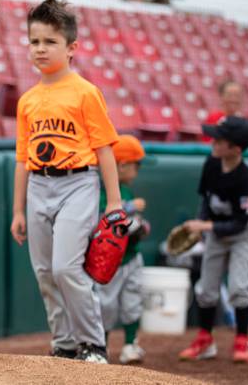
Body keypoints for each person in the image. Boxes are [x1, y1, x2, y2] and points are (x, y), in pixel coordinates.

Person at [10, 0, 122, 364]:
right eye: (35, 41)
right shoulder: (27, 100)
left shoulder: (86, 92)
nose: (40, 49)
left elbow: (105, 148)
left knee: (65, 268)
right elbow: (23, 159)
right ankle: (64, 343)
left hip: (78, 182)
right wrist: (17, 210)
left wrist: (115, 203)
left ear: (72, 48)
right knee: (44, 271)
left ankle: (93, 343)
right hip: (39, 186)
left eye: (50, 41)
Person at [178, 116, 248, 364]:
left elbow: (242, 222)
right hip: (216, 233)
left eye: (220, 139)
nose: (213, 141)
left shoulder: (245, 179)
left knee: (238, 288)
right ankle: (205, 340)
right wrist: (199, 226)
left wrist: (204, 225)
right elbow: (206, 198)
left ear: (236, 148)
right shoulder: (212, 163)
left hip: (244, 236)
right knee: (205, 289)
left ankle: (242, 340)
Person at [96, 135, 150, 364]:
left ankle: (130, 344)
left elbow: (135, 223)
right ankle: (102, 347)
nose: (137, 171)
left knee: (133, 301)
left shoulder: (126, 189)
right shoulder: (101, 189)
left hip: (131, 256)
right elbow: (102, 218)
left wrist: (142, 227)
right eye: (136, 165)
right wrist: (129, 208)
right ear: (122, 164)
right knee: (105, 306)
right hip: (109, 262)